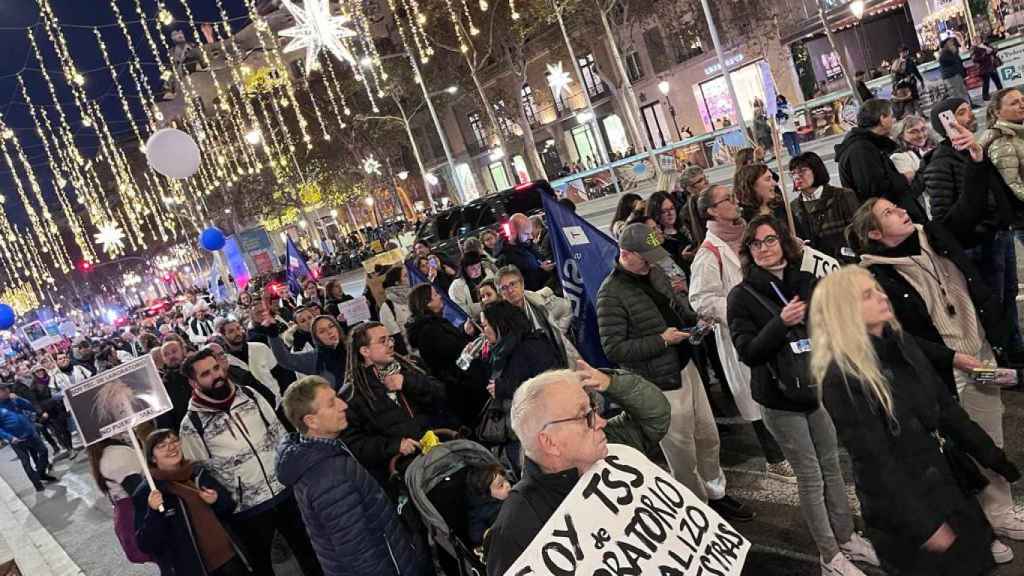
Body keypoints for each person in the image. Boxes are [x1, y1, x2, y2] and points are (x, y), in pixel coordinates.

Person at [810, 266, 1021, 573]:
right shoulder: (841, 376)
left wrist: (992, 456)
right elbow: (875, 462)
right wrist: (925, 526)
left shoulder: (901, 342)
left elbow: (945, 410)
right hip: (907, 513)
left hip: (945, 486)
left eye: (877, 288)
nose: (881, 296)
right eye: (867, 295)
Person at [846, 198, 1024, 548]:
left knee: (989, 433)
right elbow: (896, 333)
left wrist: (973, 158)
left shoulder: (934, 236)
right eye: (889, 213)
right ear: (875, 233)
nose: (900, 211)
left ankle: (1000, 511)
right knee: (958, 446)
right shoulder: (874, 276)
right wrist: (951, 357)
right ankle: (978, 527)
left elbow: (970, 210)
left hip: (981, 351)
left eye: (897, 207)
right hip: (944, 368)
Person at [727, 217, 879, 575]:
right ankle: (830, 556)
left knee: (832, 467)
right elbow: (747, 352)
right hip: (779, 399)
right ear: (748, 251)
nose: (764, 248)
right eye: (756, 244)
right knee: (810, 477)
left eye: (770, 240)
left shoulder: (805, 281)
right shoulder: (742, 295)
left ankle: (846, 538)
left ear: (784, 242)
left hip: (815, 390)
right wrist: (781, 323)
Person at [596, 222, 754, 519]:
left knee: (708, 436)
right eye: (645, 256)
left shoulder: (655, 273)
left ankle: (716, 492)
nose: (652, 262)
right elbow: (614, 349)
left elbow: (676, 306)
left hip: (686, 366)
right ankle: (699, 508)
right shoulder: (610, 295)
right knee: (682, 451)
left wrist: (696, 321)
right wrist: (661, 340)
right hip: (659, 383)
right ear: (625, 253)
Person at [484, 365, 671, 576]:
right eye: (585, 416)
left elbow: (655, 417)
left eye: (594, 410)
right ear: (550, 442)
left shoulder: (611, 450)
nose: (600, 422)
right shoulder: (515, 531)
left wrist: (613, 383)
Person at [178, 349, 323, 576]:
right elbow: (198, 471)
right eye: (206, 374)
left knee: (311, 553)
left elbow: (280, 435)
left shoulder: (250, 395)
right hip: (247, 509)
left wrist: (294, 474)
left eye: (216, 368)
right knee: (262, 567)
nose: (216, 376)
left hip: (285, 491)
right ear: (193, 382)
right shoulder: (191, 424)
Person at [277, 376, 431, 576]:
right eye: (332, 403)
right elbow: (360, 555)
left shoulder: (323, 452)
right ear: (311, 421)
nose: (343, 406)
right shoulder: (329, 479)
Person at [689, 185, 792, 480]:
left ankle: (789, 448)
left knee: (783, 386)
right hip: (743, 333)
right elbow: (701, 299)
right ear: (711, 210)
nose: (735, 203)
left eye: (734, 197)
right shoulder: (709, 253)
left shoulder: (748, 236)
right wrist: (742, 311)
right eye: (727, 200)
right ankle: (774, 458)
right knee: (756, 395)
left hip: (774, 325)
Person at [925, 97, 1022, 356]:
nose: (970, 116)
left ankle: (1016, 352)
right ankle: (1007, 361)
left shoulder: (973, 150)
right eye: (961, 112)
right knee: (994, 305)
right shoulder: (941, 164)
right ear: (946, 123)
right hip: (979, 245)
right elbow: (947, 220)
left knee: (1008, 297)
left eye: (969, 109)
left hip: (999, 236)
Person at [340, 322, 449, 484]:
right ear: (365, 351)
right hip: (408, 472)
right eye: (382, 341)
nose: (391, 344)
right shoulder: (351, 395)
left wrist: (408, 383)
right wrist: (394, 446)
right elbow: (355, 444)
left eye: (390, 339)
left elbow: (441, 395)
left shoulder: (410, 366)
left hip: (443, 452)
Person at [134, 428, 251, 576]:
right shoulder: (148, 492)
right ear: (152, 458)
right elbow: (146, 544)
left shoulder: (197, 472)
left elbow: (229, 508)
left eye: (174, 441)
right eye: (161, 446)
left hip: (232, 558)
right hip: (196, 569)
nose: (171, 447)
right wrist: (153, 511)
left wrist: (217, 500)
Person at [481, 300, 562, 471]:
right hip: (528, 432)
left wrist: (503, 389)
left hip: (548, 432)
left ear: (500, 325)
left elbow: (548, 386)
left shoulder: (531, 346)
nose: (483, 331)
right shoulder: (504, 349)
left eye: (486, 325)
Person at [835, 98, 927, 221]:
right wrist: (905, 177)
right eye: (891, 116)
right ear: (883, 119)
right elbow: (874, 190)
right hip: (889, 221)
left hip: (895, 216)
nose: (894, 120)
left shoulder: (869, 144)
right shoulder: (861, 149)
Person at [496, 265, 577, 368]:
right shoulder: (500, 320)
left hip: (558, 360)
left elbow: (567, 307)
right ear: (500, 294)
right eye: (504, 288)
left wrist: (558, 331)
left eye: (513, 284)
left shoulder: (541, 300)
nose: (510, 290)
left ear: (522, 284)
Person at [789, 152, 860, 259]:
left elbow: (858, 232)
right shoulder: (793, 207)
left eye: (802, 171)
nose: (797, 177)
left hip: (847, 261)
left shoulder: (843, 196)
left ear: (817, 171)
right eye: (793, 173)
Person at [262, 311, 349, 392]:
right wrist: (272, 333)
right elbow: (285, 359)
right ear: (316, 337)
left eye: (331, 326)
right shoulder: (315, 358)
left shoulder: (351, 346)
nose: (329, 332)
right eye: (322, 331)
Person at [0, 382, 57, 492]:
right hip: (17, 440)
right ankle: (37, 485)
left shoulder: (13, 400)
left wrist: (19, 399)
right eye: (4, 389)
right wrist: (10, 437)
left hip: (30, 434)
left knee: (44, 451)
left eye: (7, 388)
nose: (7, 391)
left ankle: (40, 473)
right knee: (26, 462)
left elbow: (29, 406)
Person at [218, 319, 283, 400]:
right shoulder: (225, 362)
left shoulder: (260, 347)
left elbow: (279, 374)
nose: (237, 333)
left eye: (238, 328)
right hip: (255, 406)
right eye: (231, 331)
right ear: (223, 336)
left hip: (278, 399)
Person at [495, 213, 553, 292]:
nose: (531, 237)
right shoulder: (505, 258)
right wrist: (542, 271)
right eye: (526, 233)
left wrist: (544, 263)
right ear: (513, 232)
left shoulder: (526, 244)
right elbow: (518, 287)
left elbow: (539, 259)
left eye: (530, 233)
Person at [466, 463, 510, 547]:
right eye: (501, 485)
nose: (507, 485)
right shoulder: (480, 511)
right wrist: (487, 533)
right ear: (487, 495)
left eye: (506, 480)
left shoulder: (513, 494)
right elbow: (475, 533)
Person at [890, 115, 937, 192]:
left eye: (923, 129)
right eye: (913, 132)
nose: (921, 135)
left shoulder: (934, 147)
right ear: (901, 135)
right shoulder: (898, 157)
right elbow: (913, 189)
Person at [379, 265, 412, 355]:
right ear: (397, 282)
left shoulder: (414, 297)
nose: (409, 277)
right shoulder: (387, 307)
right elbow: (394, 338)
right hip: (411, 353)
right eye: (405, 275)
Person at [449, 251, 492, 319]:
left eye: (478, 267)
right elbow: (462, 311)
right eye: (472, 269)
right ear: (465, 269)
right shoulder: (456, 286)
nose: (477, 271)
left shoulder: (488, 274)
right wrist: (484, 304)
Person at [677, 165, 710, 246]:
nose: (706, 181)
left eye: (705, 178)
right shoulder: (686, 212)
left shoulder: (717, 195)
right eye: (700, 181)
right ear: (690, 188)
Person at [939, 37, 970, 104]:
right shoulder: (945, 53)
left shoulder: (953, 52)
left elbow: (959, 63)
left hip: (956, 75)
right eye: (951, 43)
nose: (953, 44)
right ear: (947, 45)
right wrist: (954, 53)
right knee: (957, 93)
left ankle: (967, 104)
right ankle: (961, 106)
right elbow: (951, 62)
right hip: (952, 76)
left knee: (961, 92)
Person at [973, 36, 1003, 102]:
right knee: (986, 82)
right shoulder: (975, 49)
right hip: (984, 68)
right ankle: (985, 96)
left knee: (997, 80)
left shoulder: (986, 45)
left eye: (978, 39)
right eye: (975, 40)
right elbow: (975, 59)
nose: (977, 40)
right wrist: (985, 54)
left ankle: (1002, 92)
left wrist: (994, 50)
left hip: (991, 66)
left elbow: (993, 52)